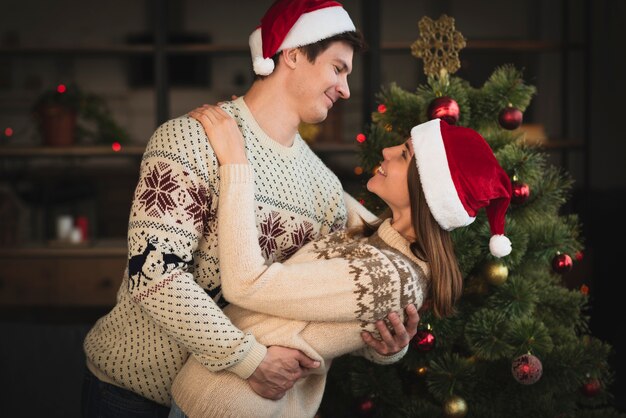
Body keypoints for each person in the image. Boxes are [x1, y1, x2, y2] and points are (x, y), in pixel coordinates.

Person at [81, 0, 420, 416]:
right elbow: (155, 274)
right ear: (293, 53)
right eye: (338, 68)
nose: (346, 89)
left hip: (224, 404)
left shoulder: (326, 190)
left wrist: (387, 345)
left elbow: (327, 303)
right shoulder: (191, 138)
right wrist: (249, 360)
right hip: (131, 394)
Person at [167, 111, 513, 418]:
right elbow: (322, 184)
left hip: (230, 405)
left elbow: (246, 284)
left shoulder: (386, 274)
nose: (387, 151)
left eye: (405, 154)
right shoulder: (380, 237)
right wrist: (263, 118)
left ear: (426, 190)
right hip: (225, 398)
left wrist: (235, 164)